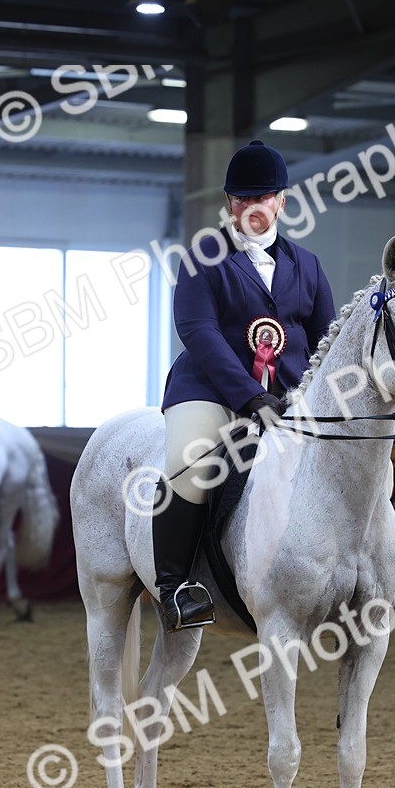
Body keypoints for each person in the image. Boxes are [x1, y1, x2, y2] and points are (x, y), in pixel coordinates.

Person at [156, 139, 336, 631]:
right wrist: (249, 396)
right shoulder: (204, 256)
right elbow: (198, 330)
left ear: (281, 201)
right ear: (229, 202)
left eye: (262, 198)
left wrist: (316, 398)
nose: (251, 208)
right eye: (241, 199)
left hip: (290, 399)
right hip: (211, 391)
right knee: (188, 461)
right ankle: (176, 587)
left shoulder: (308, 266)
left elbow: (328, 342)